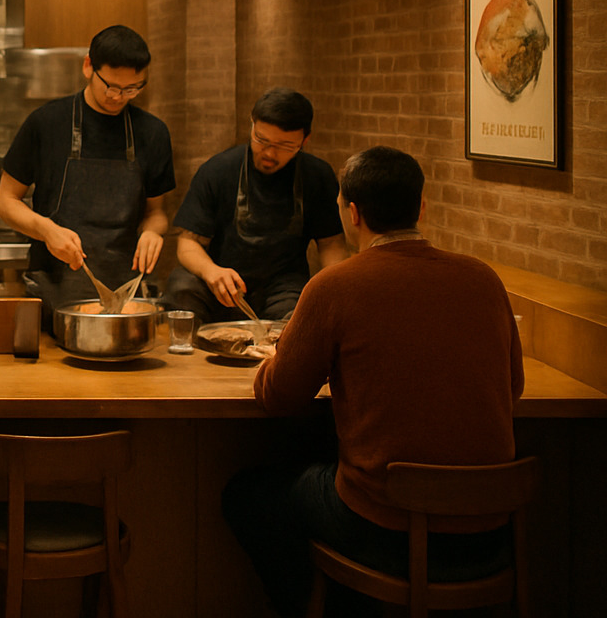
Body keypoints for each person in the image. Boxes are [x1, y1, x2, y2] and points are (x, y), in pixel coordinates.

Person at [223, 146, 524, 618]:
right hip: (490, 531)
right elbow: (514, 387)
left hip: (385, 532)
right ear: (422, 208)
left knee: (249, 495)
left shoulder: (335, 285)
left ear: (352, 213)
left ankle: (303, 608)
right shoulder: (484, 279)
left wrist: (279, 354)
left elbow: (278, 397)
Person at [0, 24, 175, 327]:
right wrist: (47, 230)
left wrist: (152, 232)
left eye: (132, 89)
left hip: (126, 292)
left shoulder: (153, 133)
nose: (119, 97)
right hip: (55, 287)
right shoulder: (47, 123)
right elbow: (6, 202)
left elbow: (156, 213)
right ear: (88, 66)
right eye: (112, 86)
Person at [162, 87, 347, 323]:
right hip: (222, 281)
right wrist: (212, 272)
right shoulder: (218, 170)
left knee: (300, 315)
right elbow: (188, 243)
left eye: (284, 145)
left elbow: (331, 244)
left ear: (304, 140)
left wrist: (333, 290)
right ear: (252, 125)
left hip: (283, 286)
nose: (269, 152)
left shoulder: (317, 175)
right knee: (182, 286)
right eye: (261, 139)